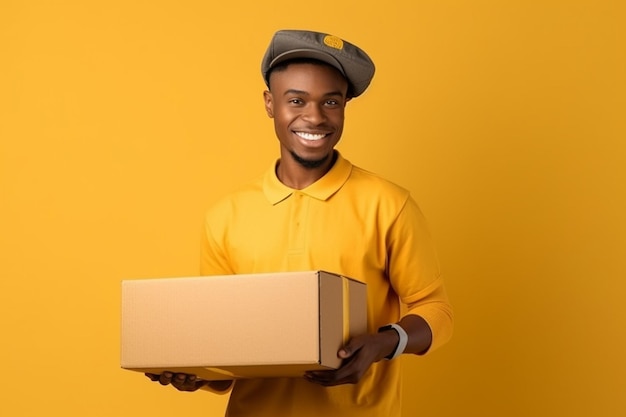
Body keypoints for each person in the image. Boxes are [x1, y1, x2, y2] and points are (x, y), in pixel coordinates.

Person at [146, 29, 453, 417]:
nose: (315, 117)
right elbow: (226, 356)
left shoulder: (389, 204)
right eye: (296, 100)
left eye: (331, 102)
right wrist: (196, 374)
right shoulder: (226, 216)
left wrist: (382, 343)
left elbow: (437, 310)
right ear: (270, 104)